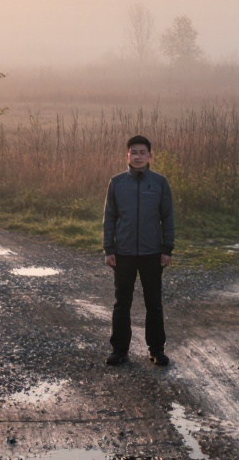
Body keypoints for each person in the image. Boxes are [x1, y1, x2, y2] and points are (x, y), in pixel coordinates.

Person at [102, 134, 174, 366]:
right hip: (123, 254)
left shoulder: (160, 183)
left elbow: (167, 218)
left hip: (152, 253)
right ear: (128, 155)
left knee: (154, 303)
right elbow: (109, 218)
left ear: (150, 155)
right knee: (122, 303)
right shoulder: (117, 183)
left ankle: (156, 350)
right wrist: (109, 248)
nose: (138, 156)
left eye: (143, 152)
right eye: (134, 152)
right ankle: (119, 350)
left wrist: (167, 249)